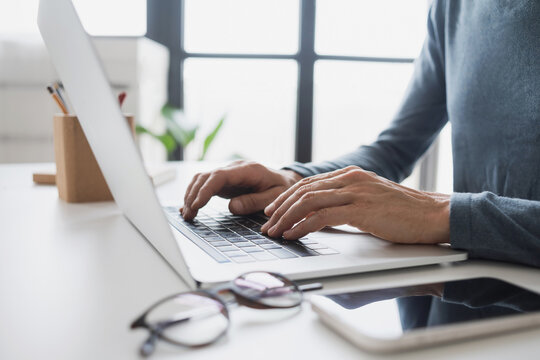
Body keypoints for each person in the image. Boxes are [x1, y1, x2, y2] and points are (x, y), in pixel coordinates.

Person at [181, 0, 540, 267]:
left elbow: (437, 210)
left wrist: (439, 214)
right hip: (475, 285)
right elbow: (394, 148)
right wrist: (296, 180)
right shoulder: (452, 8)